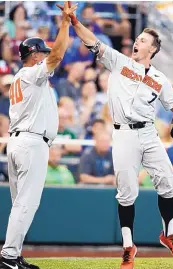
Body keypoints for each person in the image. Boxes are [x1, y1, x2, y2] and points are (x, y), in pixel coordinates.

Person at [57, 5, 173, 268]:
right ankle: (128, 247)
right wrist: (73, 20)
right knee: (127, 193)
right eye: (138, 39)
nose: (137, 42)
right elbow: (91, 40)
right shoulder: (118, 61)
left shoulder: (160, 79)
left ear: (152, 49)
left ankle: (169, 235)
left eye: (143, 40)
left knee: (168, 183)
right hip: (124, 135)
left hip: (148, 133)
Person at [0, 2, 78, 269]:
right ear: (33, 55)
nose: (46, 56)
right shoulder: (32, 74)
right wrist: (65, 23)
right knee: (25, 204)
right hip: (31, 142)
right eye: (42, 52)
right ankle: (9, 256)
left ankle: (14, 254)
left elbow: (54, 56)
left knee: (19, 205)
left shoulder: (23, 76)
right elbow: (57, 55)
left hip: (20, 141)